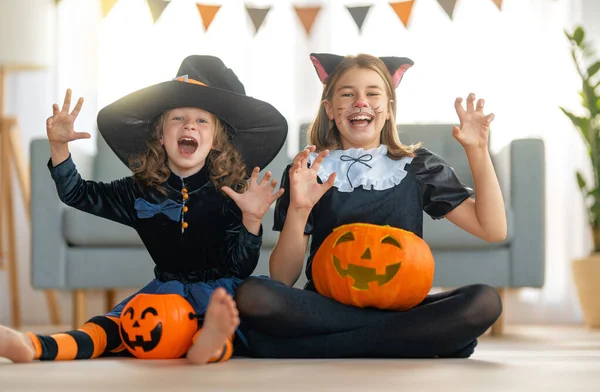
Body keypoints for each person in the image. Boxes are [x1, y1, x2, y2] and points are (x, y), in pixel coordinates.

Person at [0, 55, 287, 364]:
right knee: (112, 327)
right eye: (178, 118)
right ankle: (34, 345)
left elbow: (239, 267)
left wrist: (252, 221)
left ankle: (211, 343)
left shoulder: (233, 192)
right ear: (160, 136)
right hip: (164, 294)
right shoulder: (137, 189)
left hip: (219, 293)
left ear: (216, 140)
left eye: (202, 120)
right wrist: (59, 147)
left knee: (226, 322)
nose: (190, 124)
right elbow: (76, 193)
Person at [233, 53, 506, 359]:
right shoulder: (309, 171)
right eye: (348, 94)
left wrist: (478, 150)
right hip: (328, 306)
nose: (360, 102)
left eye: (373, 93)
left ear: (388, 109)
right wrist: (299, 209)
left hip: (403, 307)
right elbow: (283, 278)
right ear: (330, 110)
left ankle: (310, 347)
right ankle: (414, 340)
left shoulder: (418, 167)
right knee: (253, 294)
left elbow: (492, 229)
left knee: (483, 301)